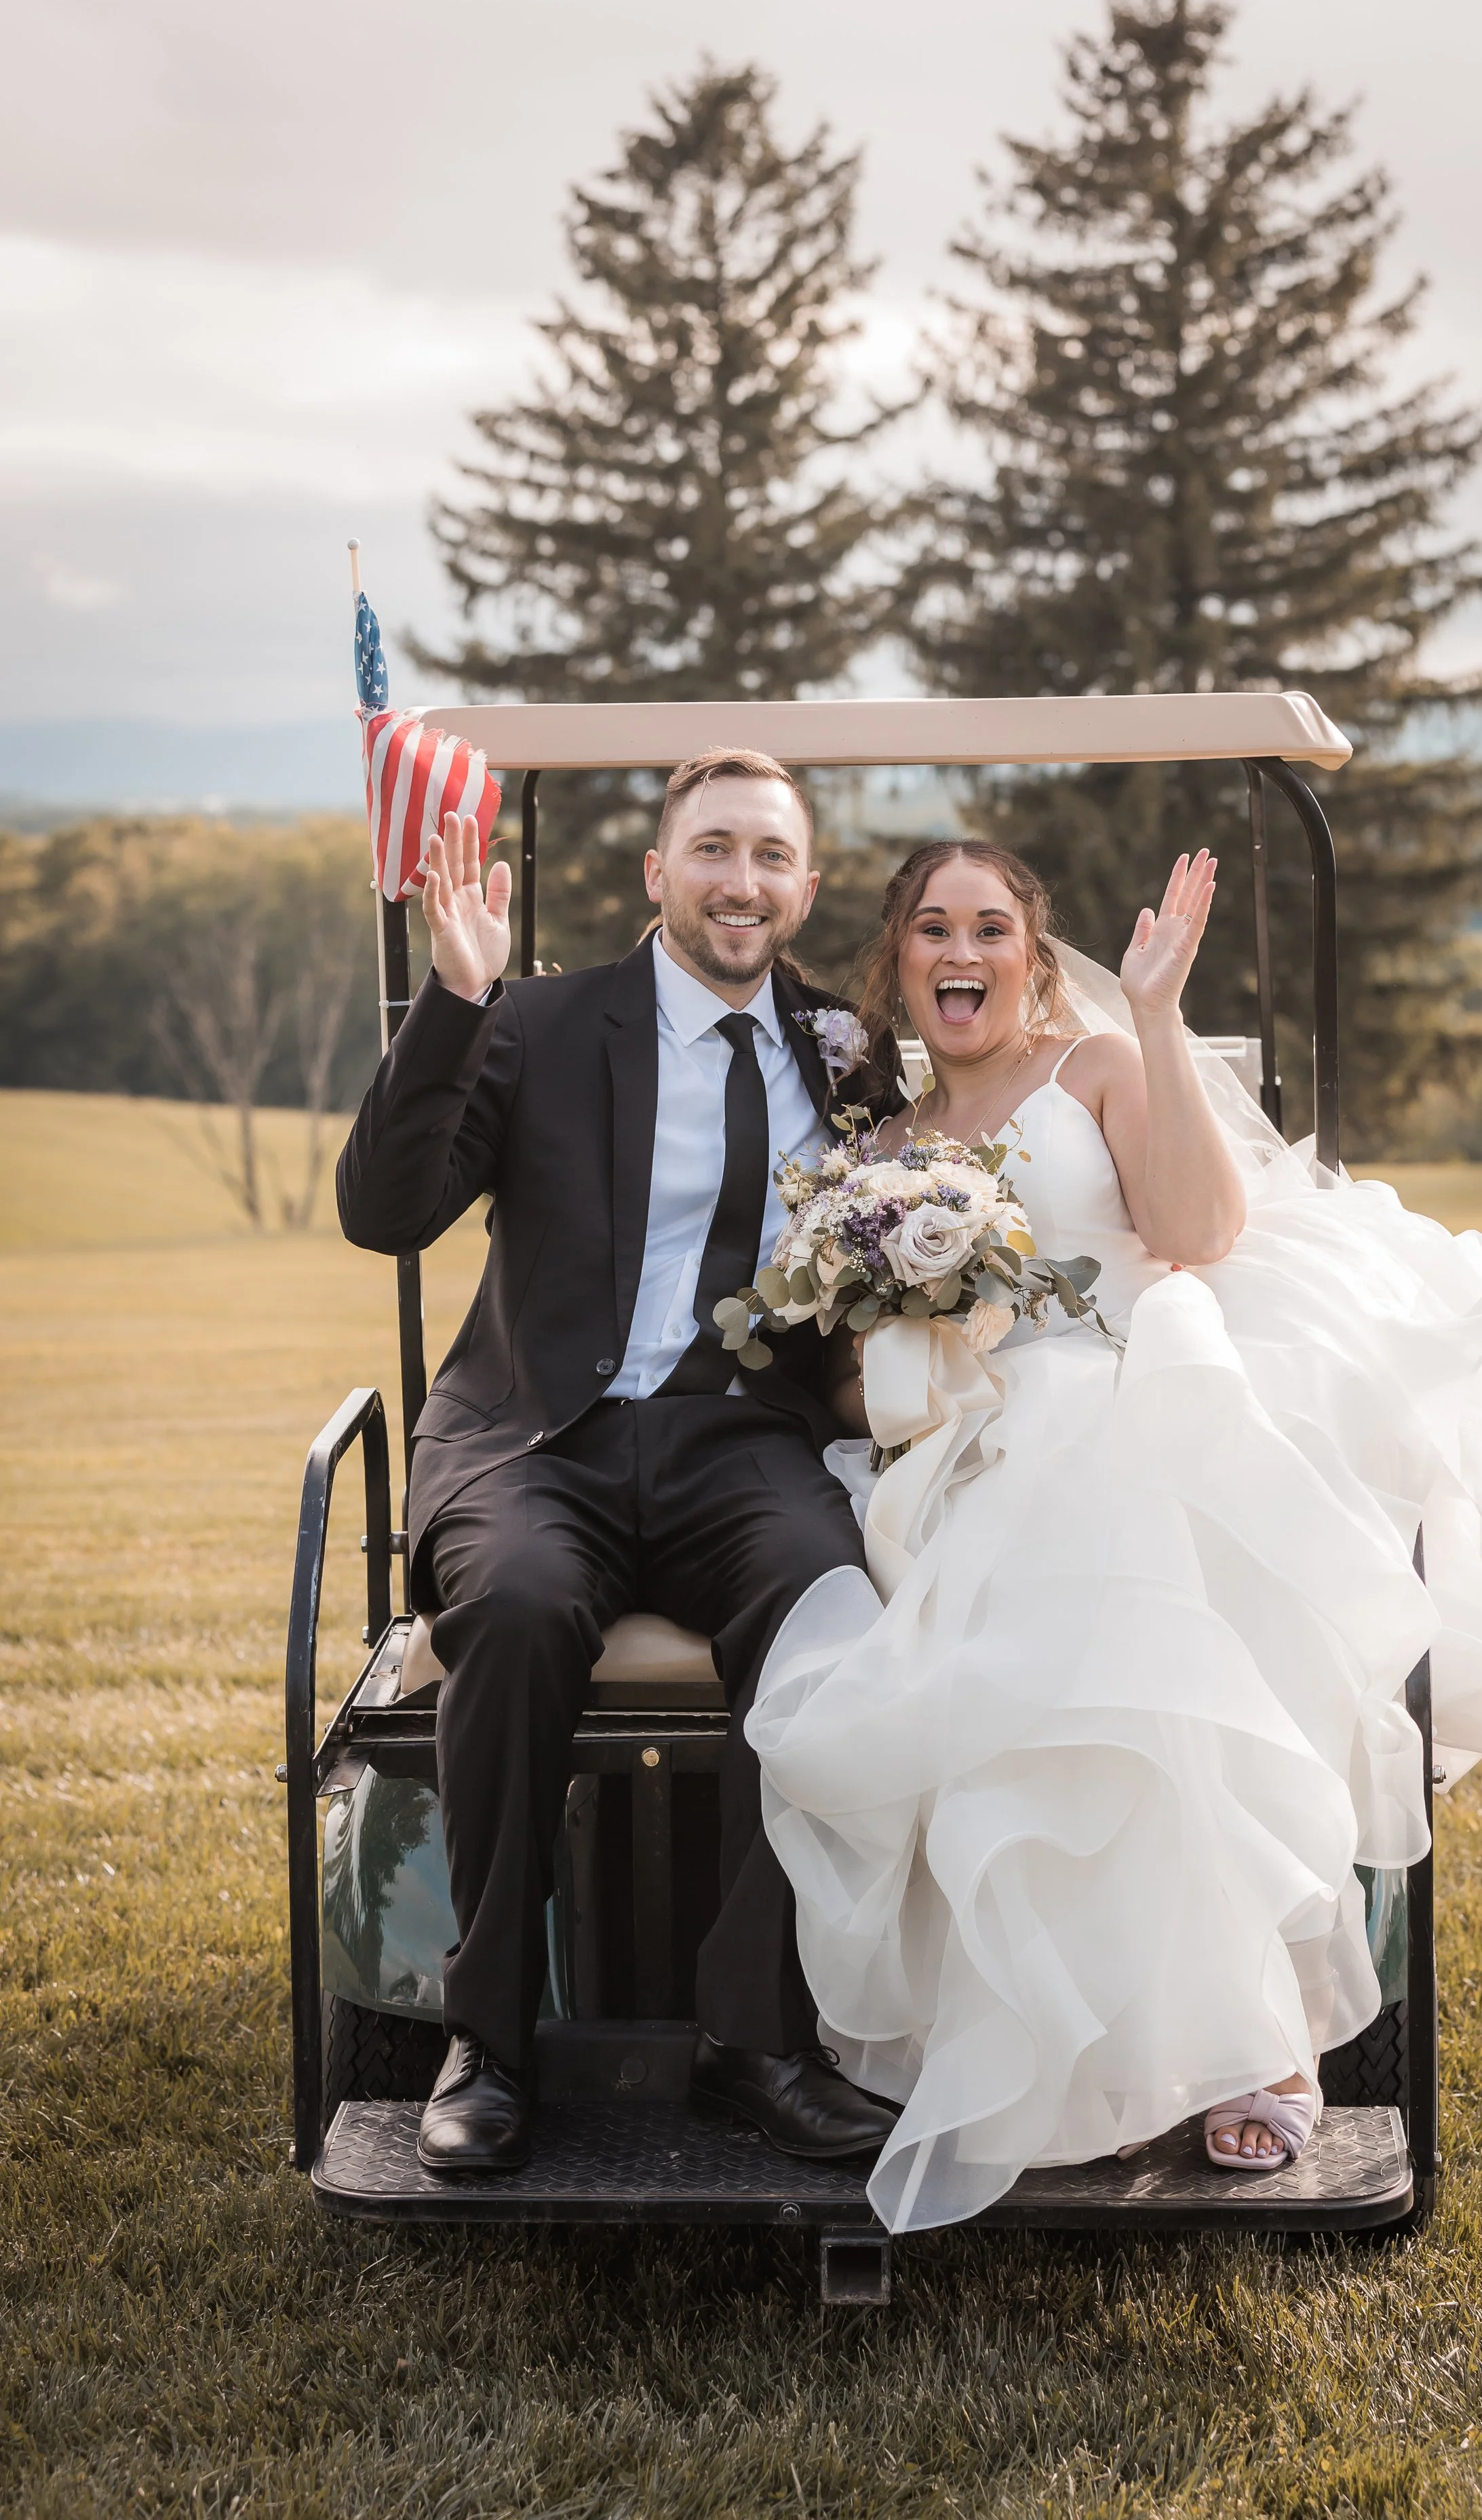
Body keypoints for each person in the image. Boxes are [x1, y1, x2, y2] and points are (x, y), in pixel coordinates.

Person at [746, 838, 1482, 2232]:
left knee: (1109, 1554)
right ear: (897, 960)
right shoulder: (881, 1152)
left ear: (1031, 960)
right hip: (956, 1437)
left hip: (1128, 1379)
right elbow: (849, 1375)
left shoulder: (1089, 1066)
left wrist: (1151, 1012)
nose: (958, 951)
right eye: (930, 928)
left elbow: (1199, 1230)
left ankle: (1253, 2037)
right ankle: (1070, 2042)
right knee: (971, 1612)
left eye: (988, 927)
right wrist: (920, 1348)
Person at [336, 749, 900, 2174]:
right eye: (712, 849)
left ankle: (753, 2037)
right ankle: (492, 2037)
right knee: (519, 1610)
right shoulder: (532, 1021)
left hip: (741, 1443)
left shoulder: (843, 1050)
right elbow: (386, 1210)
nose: (741, 881)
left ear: (803, 885)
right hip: (541, 1436)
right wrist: (454, 999)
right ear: (658, 875)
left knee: (828, 1611)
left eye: (770, 856)